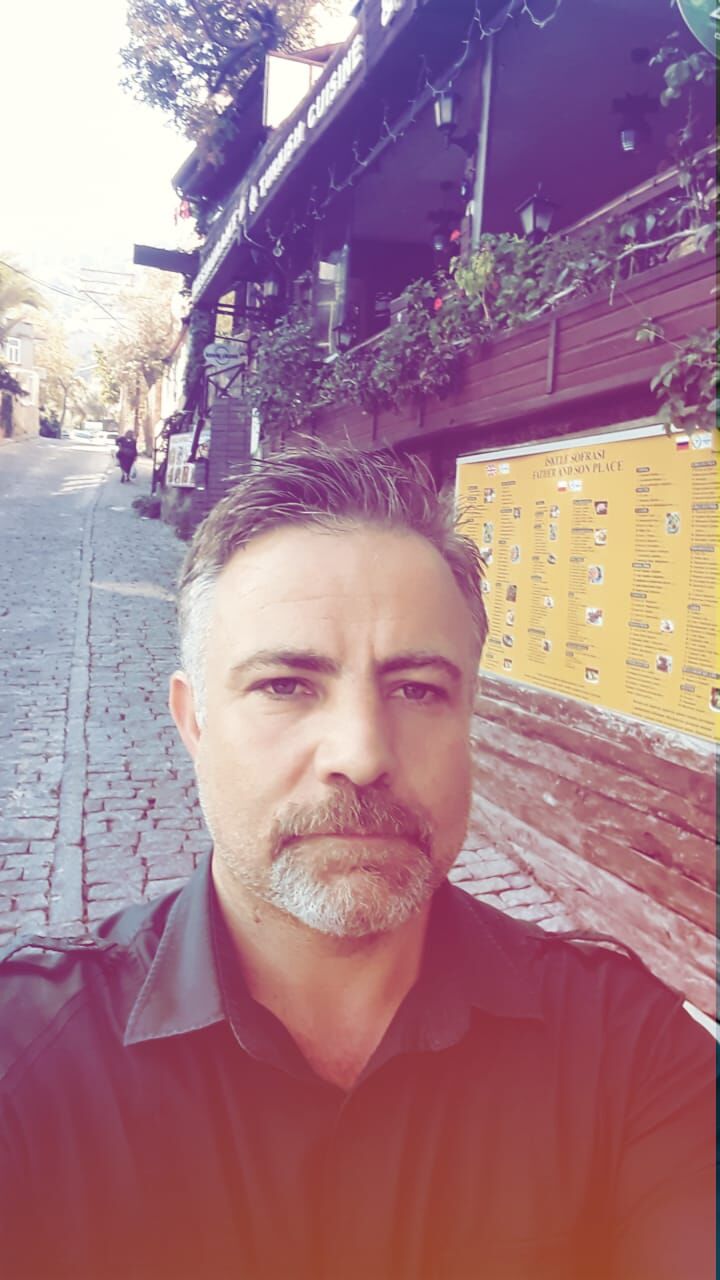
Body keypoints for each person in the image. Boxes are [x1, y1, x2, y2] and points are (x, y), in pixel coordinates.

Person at [0, 443, 714, 1280]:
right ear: (193, 722)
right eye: (285, 685)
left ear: (469, 717)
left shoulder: (628, 1051)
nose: (363, 753)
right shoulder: (27, 1063)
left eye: (418, 689)